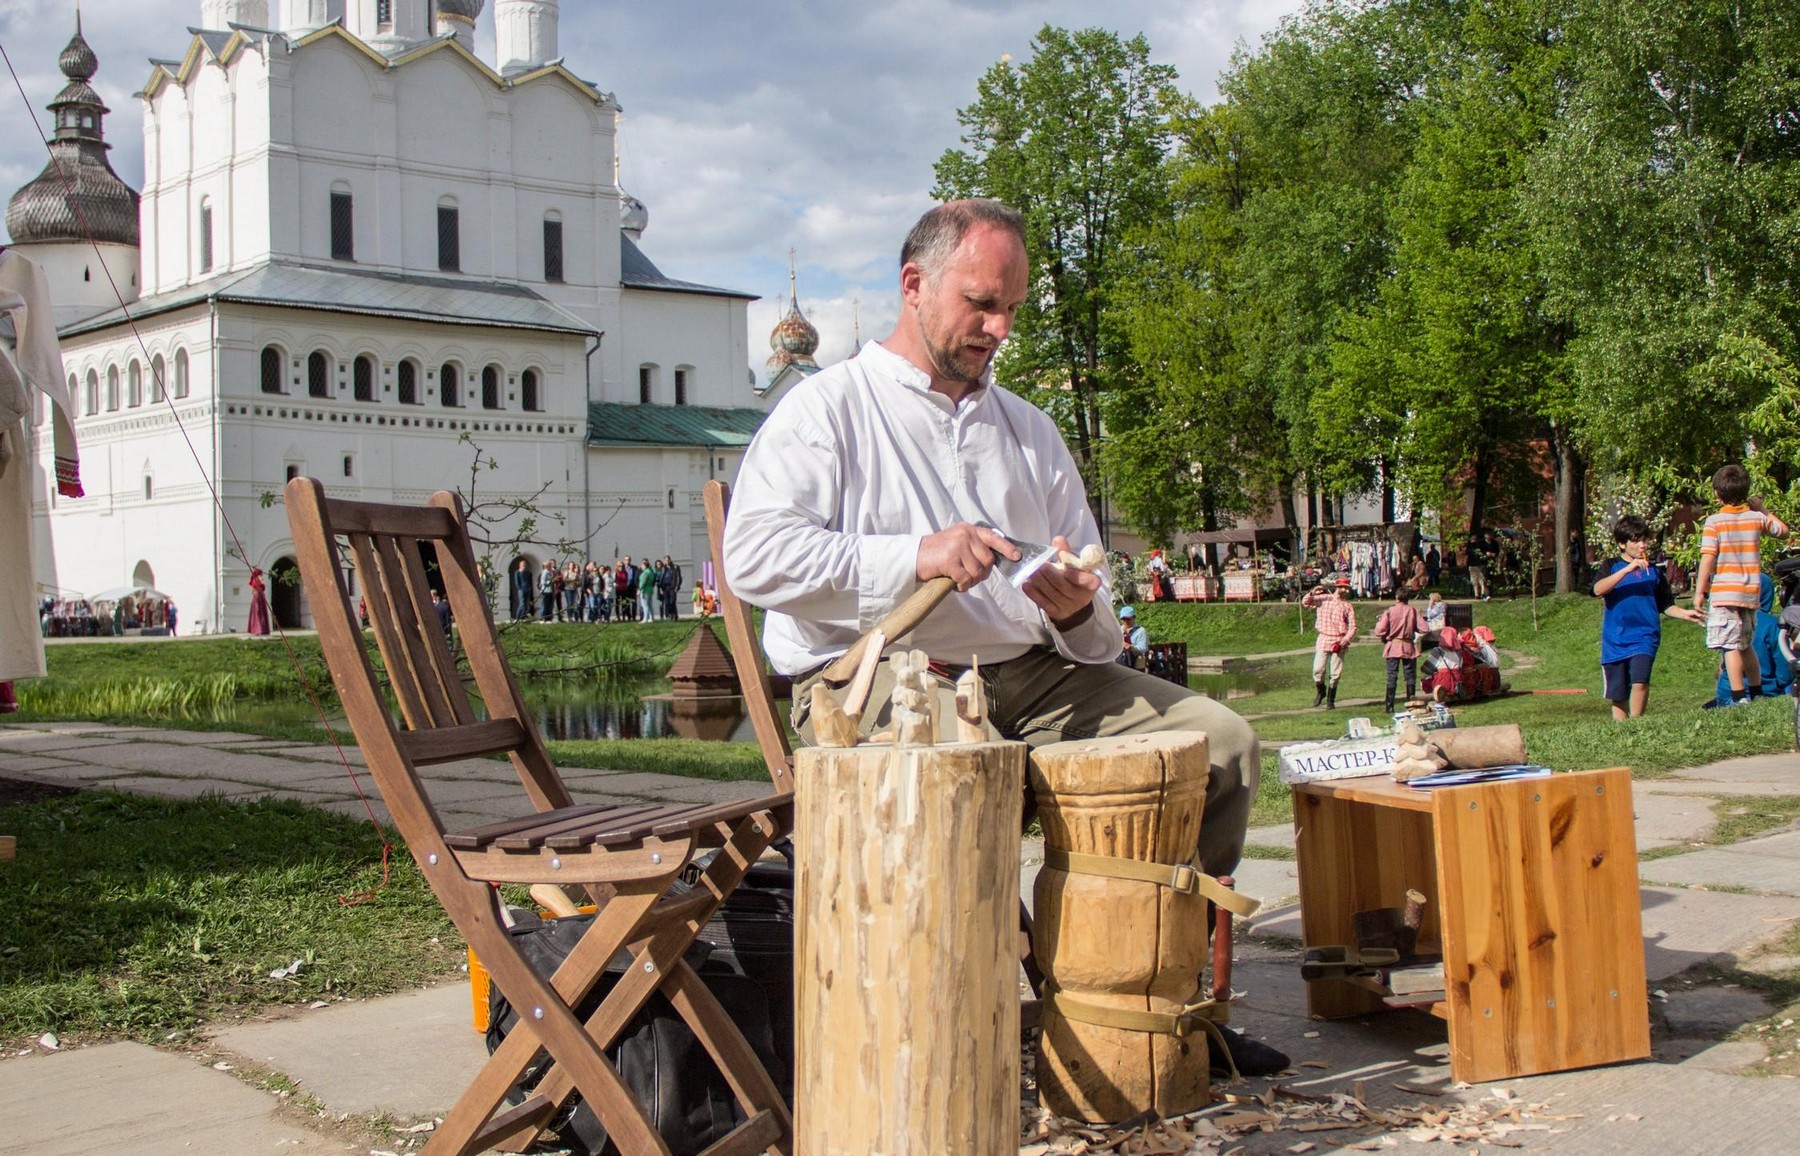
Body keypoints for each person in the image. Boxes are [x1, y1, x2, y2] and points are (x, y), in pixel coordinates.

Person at [722, 198, 1285, 1076]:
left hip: (1034, 674)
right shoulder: (826, 410)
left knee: (1221, 746)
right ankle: (947, 1051)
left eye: (1013, 310)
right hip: (880, 681)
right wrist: (917, 554)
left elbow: (1096, 635)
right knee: (955, 771)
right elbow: (752, 560)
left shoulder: (1028, 429)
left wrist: (1071, 607)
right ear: (914, 285)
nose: (1000, 329)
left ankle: (1161, 1016)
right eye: (982, 304)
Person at [1594, 514, 1704, 720]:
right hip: (1615, 640)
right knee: (1618, 695)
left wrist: (1685, 614)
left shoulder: (1654, 572)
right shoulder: (1611, 566)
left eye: (1644, 540)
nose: (1642, 545)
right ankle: (1622, 732)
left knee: (1640, 681)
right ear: (1622, 544)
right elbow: (1598, 590)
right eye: (1636, 540)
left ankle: (1637, 725)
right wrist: (1628, 569)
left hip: (1645, 636)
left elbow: (1666, 606)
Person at [1695, 464, 1789, 705]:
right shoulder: (1756, 519)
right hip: (1750, 593)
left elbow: (1708, 557)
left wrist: (1699, 592)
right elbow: (1783, 532)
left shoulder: (1714, 522)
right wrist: (1762, 509)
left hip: (1725, 592)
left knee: (1729, 646)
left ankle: (1739, 697)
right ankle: (1756, 691)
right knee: (1745, 643)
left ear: (1717, 493)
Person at [1713, 574, 1794, 705]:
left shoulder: (1729, 620)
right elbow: (1784, 674)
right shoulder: (1774, 626)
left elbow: (1722, 666)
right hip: (1765, 692)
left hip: (1727, 693)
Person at [1301, 577, 1356, 709]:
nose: (1346, 591)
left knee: (1335, 672)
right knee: (1318, 669)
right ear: (1337, 587)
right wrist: (1313, 592)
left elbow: (1353, 626)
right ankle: (1321, 690)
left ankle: (1331, 699)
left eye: (1347, 588)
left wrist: (1346, 639)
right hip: (1324, 637)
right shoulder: (1324, 598)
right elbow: (1305, 603)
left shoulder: (1347, 605)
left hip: (1339, 639)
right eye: (1343, 588)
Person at [1372, 588, 1424, 713]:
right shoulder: (1413, 611)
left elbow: (1379, 631)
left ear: (1396, 597)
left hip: (1393, 645)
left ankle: (1389, 706)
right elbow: (1424, 628)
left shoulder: (1390, 611)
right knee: (1410, 676)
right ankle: (1411, 705)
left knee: (1392, 676)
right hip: (1408, 646)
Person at [247, 567, 272, 636]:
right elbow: (258, 588)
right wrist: (261, 583)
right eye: (260, 574)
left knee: (260, 613)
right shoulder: (256, 580)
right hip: (258, 597)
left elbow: (262, 588)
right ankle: (258, 629)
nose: (261, 576)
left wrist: (262, 583)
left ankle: (262, 630)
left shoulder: (258, 579)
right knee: (258, 612)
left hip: (260, 597)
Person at [1466, 533, 1490, 600]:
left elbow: (1467, 556)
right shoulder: (1480, 547)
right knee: (1481, 580)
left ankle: (1477, 594)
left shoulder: (1470, 548)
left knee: (1475, 580)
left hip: (1473, 565)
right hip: (1479, 565)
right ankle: (1482, 594)